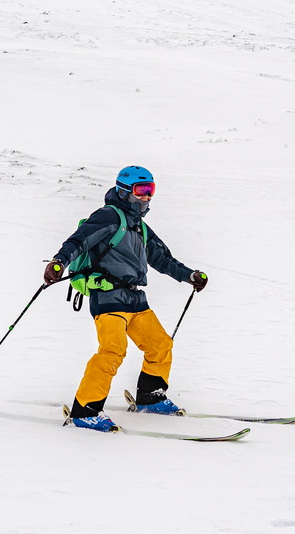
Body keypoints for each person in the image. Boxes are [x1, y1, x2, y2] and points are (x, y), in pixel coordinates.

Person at [44, 166, 208, 432]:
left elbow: (162, 259)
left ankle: (150, 398)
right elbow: (78, 241)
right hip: (108, 297)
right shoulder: (108, 216)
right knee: (112, 351)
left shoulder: (140, 227)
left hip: (135, 298)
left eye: (150, 190)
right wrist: (59, 262)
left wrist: (189, 276)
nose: (146, 197)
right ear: (124, 190)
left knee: (160, 344)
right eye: (141, 190)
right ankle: (85, 411)